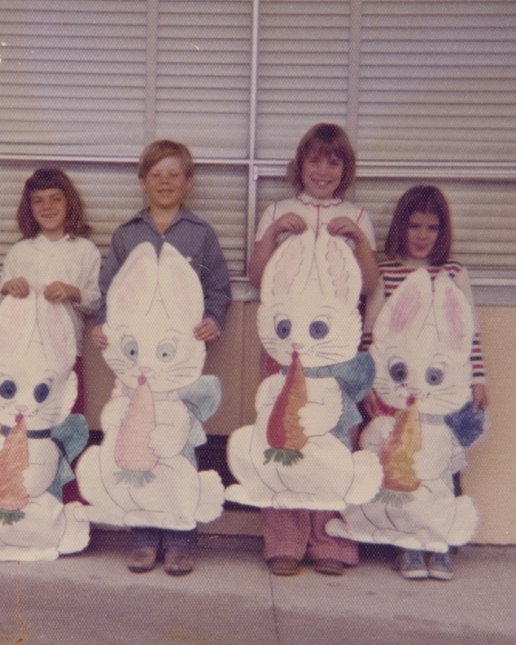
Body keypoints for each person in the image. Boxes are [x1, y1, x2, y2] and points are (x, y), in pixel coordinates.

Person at [92, 139, 231, 576]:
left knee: (177, 439)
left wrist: (214, 318)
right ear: (142, 182)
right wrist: (102, 324)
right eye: (156, 175)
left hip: (178, 359)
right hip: (137, 362)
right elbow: (109, 291)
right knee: (136, 439)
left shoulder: (200, 234)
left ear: (188, 181)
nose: (165, 182)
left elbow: (219, 290)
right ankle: (144, 535)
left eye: (174, 174)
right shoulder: (127, 234)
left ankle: (180, 537)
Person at [247, 123, 379, 577]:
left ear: (345, 170)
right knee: (283, 436)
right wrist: (272, 235)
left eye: (333, 161)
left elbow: (372, 284)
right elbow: (258, 276)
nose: (323, 169)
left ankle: (331, 541)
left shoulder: (358, 217)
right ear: (300, 164)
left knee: (332, 438)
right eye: (315, 159)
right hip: (287, 348)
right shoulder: (278, 210)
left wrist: (359, 244)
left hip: (334, 352)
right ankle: (284, 540)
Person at [360, 184, 487, 580]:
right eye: (414, 226)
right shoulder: (386, 273)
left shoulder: (454, 273)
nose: (422, 235)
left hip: (442, 393)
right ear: (400, 227)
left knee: (440, 466)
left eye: (431, 228)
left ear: (442, 231)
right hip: (399, 392)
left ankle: (440, 543)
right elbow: (371, 336)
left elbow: (469, 336)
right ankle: (407, 545)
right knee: (403, 464)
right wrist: (368, 384)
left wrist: (478, 379)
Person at [0, 168, 101, 417]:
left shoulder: (85, 251)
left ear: (69, 203)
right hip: (22, 353)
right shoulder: (20, 251)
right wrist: (8, 289)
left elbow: (96, 302)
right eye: (38, 200)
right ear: (29, 208)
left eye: (55, 198)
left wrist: (73, 292)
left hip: (65, 352)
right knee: (25, 418)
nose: (47, 206)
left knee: (65, 420)